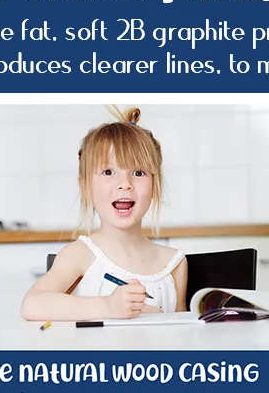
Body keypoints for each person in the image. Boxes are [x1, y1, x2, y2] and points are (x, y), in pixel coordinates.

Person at [20, 108, 187, 322]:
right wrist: (108, 306)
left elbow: (184, 329)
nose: (125, 184)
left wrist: (160, 318)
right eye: (108, 172)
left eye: (138, 173)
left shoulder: (174, 263)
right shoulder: (80, 255)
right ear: (85, 186)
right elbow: (31, 304)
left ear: (155, 185)